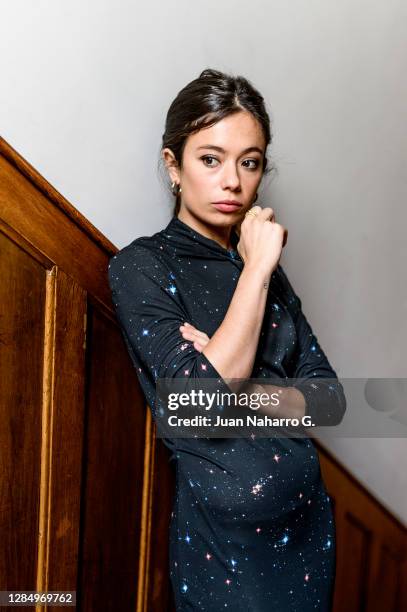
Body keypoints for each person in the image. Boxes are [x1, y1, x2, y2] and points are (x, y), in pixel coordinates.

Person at [108, 68, 346, 611]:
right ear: (174, 166)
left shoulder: (267, 277)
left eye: (250, 161)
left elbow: (330, 401)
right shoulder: (142, 266)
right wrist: (257, 269)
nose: (233, 182)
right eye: (210, 159)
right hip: (226, 550)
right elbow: (207, 407)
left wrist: (235, 373)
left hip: (310, 533)